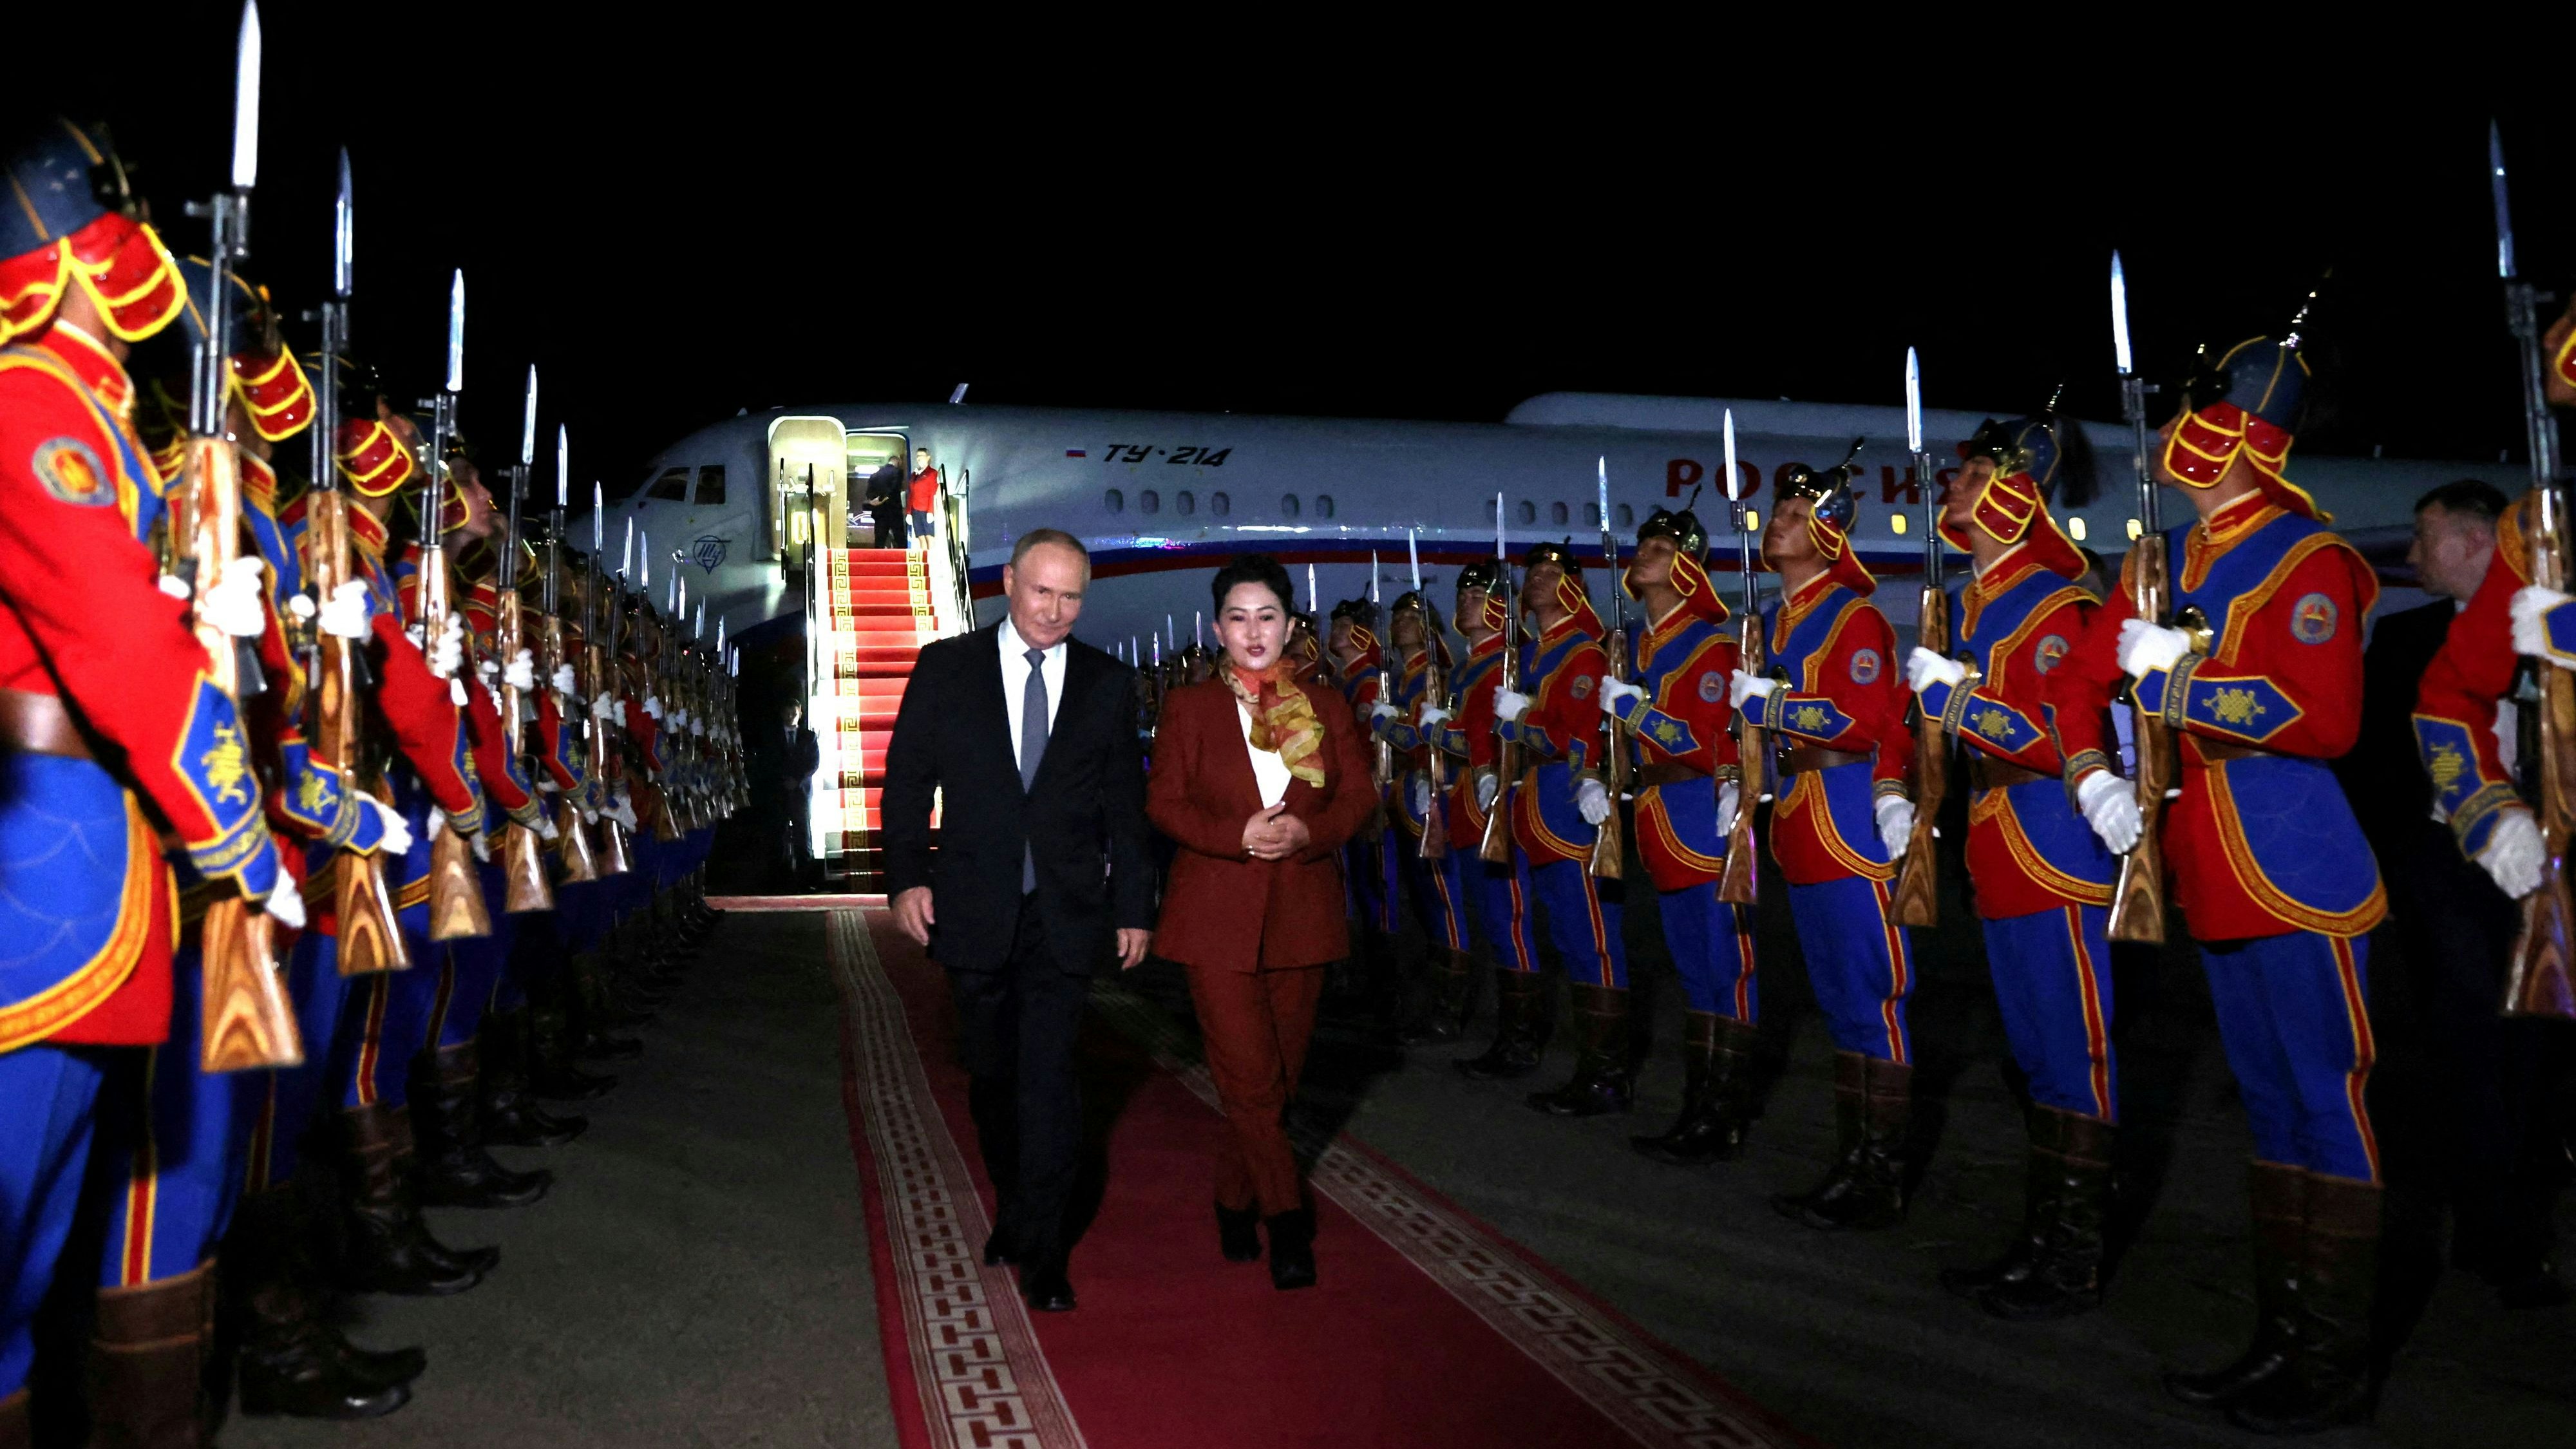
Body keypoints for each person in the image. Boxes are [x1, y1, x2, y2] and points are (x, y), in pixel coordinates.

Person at [0, 117, 299, 1438]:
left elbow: (128, 609)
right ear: (62, 262)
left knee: (25, 1262)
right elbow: (113, 646)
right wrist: (239, 833)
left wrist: (199, 594)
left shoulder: (90, 412)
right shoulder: (30, 399)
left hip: (86, 876)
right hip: (37, 893)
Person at [2045, 330, 2386, 1434]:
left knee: (2324, 1110)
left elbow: (2325, 719)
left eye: (2197, 412)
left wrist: (2181, 678)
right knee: (2273, 1115)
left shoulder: (2305, 558)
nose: (2173, 435)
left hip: (2297, 866)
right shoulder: (2166, 561)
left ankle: (2328, 1365)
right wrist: (2094, 775)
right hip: (2207, 869)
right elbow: (2078, 683)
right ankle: (2279, 1340)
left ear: (2243, 431)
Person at [881, 529, 1154, 1313]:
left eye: (1072, 597)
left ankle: (1044, 1246)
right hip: (971, 909)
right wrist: (906, 881)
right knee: (994, 1079)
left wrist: (1134, 907)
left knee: (1050, 1084)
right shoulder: (947, 667)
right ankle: (1013, 1202)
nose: (1056, 611)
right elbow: (907, 782)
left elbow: (1123, 813)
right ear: (1008, 583)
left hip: (1064, 917)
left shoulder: (1106, 681)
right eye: (1043, 592)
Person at [1904, 408, 2121, 1319]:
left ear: (2013, 489)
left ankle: (2073, 1256)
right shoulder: (1982, 598)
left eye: (1970, 472)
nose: (1951, 485)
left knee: (2073, 1060)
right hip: (2002, 845)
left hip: (2056, 842)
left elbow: (2061, 734)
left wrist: (1959, 704)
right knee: (2033, 1061)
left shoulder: (2057, 600)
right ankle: (2042, 1240)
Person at [1147, 554, 1378, 1289]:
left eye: (1267, 616)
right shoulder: (1188, 708)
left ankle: (1230, 1195)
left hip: (1301, 916)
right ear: (1218, 628)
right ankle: (1287, 1222)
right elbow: (1166, 805)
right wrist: (1237, 835)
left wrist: (1308, 835)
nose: (1253, 631)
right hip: (1214, 917)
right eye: (1238, 618)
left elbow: (1357, 799)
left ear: (1289, 625)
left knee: (1274, 1082)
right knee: (1246, 1079)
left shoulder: (1327, 707)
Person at [2401, 474, 2576, 1311]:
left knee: (2542, 1054)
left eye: (2426, 536)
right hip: (2477, 865)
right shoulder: (2431, 630)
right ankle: (2496, 1227)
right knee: (2483, 1047)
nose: (2411, 555)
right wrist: (2486, 817)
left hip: (2561, 855)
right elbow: (2440, 726)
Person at [1732, 459, 1920, 1230]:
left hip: (1846, 817)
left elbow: (1864, 721)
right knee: (1841, 1006)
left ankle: (1881, 1175)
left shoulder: (1852, 616)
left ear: (1827, 534)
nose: (1776, 521)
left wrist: (1776, 704)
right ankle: (1855, 1164)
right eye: (1776, 510)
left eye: (1793, 512)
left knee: (1872, 1000)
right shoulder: (1776, 622)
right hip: (1802, 822)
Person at [1598, 503, 1757, 1164]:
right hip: (1659, 816)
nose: (1645, 555)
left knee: (1723, 970)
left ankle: (1722, 1117)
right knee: (1692, 971)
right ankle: (1698, 1108)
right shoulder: (1636, 641)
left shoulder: (1711, 643)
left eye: (1661, 547)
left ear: (1688, 565)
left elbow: (1706, 742)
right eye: (1644, 545)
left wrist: (1639, 712)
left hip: (1698, 810)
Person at [1494, 543, 1633, 1116]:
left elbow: (1571, 736)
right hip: (1536, 808)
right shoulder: (1534, 656)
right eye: (1535, 572)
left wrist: (1521, 718)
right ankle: (1589, 1069)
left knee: (1593, 943)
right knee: (1569, 941)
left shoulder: (1581, 653)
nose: (1540, 580)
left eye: (1554, 573)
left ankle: (1607, 1077)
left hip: (1571, 805)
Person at [1439, 562, 1546, 1069]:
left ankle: (1521, 1040)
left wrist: (1448, 738)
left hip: (1496, 800)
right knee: (1492, 922)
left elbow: (1506, 734)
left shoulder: (1513, 660)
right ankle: (1508, 1033)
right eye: (1463, 594)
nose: (1466, 602)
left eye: (1478, 594)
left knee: (1511, 921)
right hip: (1465, 803)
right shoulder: (1464, 669)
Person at [1368, 592, 1477, 1043]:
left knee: (1444, 902)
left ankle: (1449, 1009)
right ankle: (1431, 1000)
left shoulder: (1434, 676)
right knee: (1424, 903)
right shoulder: (1405, 677)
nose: (1400, 624)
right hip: (1407, 796)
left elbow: (1427, 736)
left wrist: (1387, 726)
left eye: (1412, 617)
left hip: (1428, 796)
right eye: (1398, 616)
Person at [865, 457, 906, 549]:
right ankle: (902, 560)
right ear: (898, 462)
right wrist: (882, 499)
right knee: (899, 539)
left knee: (880, 540)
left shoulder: (875, 475)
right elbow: (894, 489)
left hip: (879, 512)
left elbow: (868, 493)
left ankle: (877, 561)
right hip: (894, 511)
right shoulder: (898, 472)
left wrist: (874, 501)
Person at [906, 446, 940, 544]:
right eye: (917, 456)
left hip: (926, 509)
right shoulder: (914, 475)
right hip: (915, 510)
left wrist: (931, 511)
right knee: (921, 538)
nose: (919, 458)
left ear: (928, 458)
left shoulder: (932, 473)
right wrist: (909, 512)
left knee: (929, 537)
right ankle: (924, 559)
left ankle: (931, 559)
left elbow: (932, 493)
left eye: (921, 455)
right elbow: (911, 494)